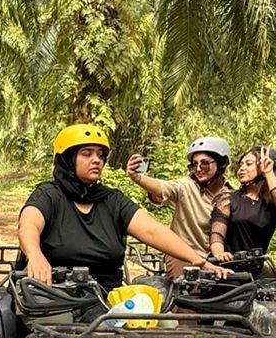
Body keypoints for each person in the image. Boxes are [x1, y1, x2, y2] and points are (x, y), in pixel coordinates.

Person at [19, 124, 229, 292]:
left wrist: (198, 261)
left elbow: (152, 230)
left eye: (100, 155)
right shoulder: (49, 195)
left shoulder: (113, 200)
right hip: (54, 291)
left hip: (105, 296)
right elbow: (29, 223)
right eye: (87, 154)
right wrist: (35, 254)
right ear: (67, 159)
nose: (96, 160)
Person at [125, 135, 232, 278]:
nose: (198, 169)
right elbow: (163, 187)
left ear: (220, 164)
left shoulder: (230, 193)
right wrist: (137, 178)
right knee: (188, 287)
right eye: (194, 164)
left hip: (216, 257)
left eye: (205, 164)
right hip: (182, 255)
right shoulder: (186, 186)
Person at [210, 147, 276, 271]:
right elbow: (217, 234)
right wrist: (219, 254)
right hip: (225, 268)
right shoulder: (228, 199)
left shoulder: (272, 205)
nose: (241, 168)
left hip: (255, 271)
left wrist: (268, 173)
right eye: (241, 164)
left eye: (249, 164)